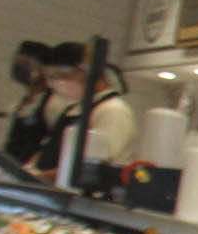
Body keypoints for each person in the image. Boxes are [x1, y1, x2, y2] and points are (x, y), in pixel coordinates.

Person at [33, 42, 136, 180]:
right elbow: (48, 150)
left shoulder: (113, 111)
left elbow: (92, 168)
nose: (57, 83)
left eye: (61, 75)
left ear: (85, 71)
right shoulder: (74, 108)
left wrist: (40, 177)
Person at [1, 40, 54, 165]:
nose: (20, 69)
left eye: (25, 63)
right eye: (18, 62)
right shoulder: (24, 101)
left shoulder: (53, 102)